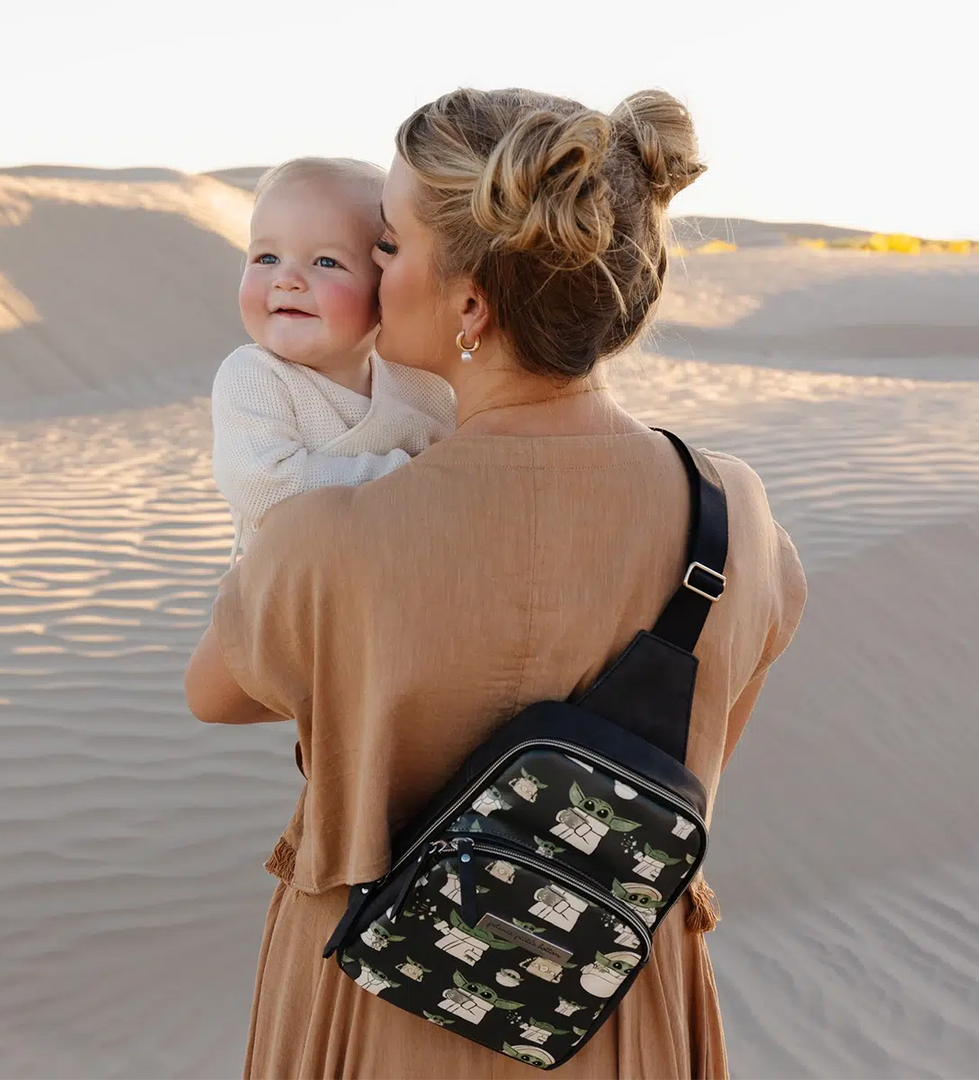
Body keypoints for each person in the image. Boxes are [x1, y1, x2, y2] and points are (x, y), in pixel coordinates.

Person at [186, 87, 806, 1079]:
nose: (370, 270)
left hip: (373, 1008)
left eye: (385, 245)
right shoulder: (733, 515)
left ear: (470, 304)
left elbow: (212, 691)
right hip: (614, 1010)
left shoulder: (332, 529)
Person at [211, 157, 454, 564]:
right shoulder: (255, 376)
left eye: (327, 262)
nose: (286, 279)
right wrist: (414, 476)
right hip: (294, 605)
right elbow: (264, 485)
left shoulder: (420, 385)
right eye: (266, 258)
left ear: (383, 289)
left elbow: (463, 465)